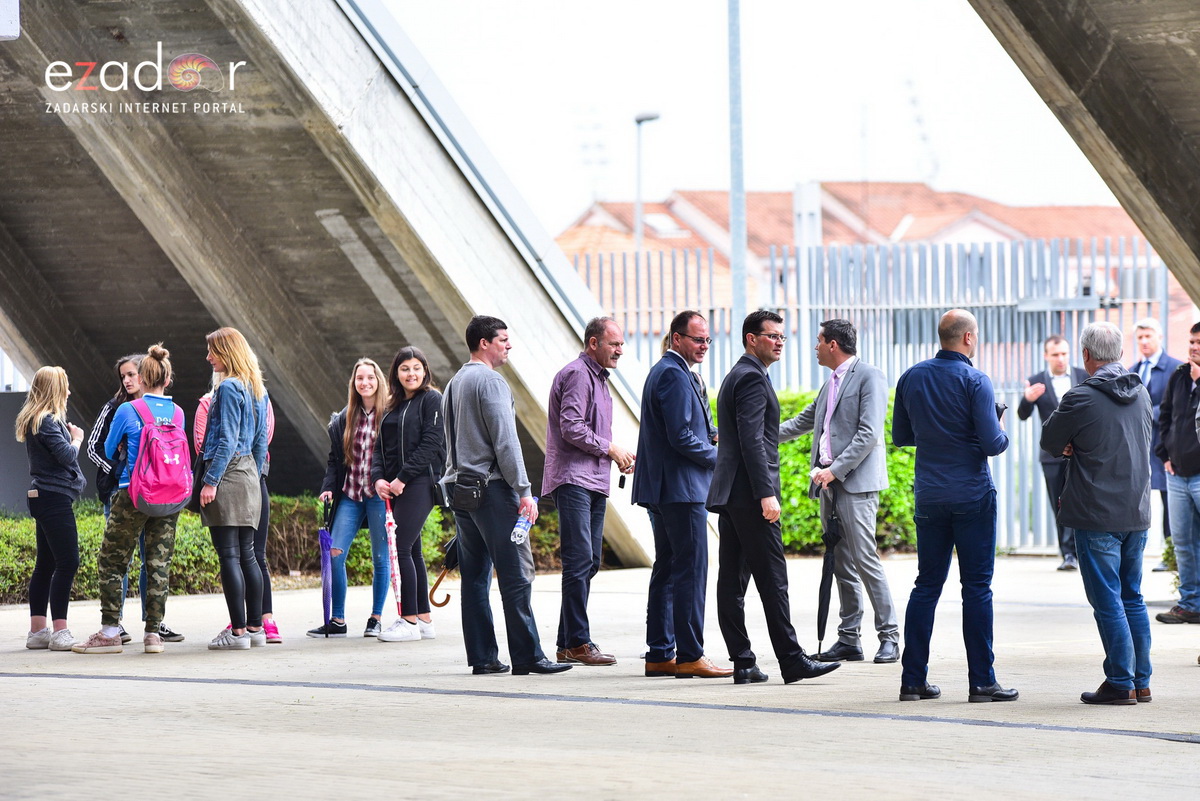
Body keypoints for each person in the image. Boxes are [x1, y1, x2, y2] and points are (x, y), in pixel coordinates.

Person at [892, 309, 1017, 703]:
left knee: (926, 585)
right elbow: (992, 445)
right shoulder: (976, 380)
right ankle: (982, 682)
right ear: (967, 338)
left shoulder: (911, 376)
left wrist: (937, 435)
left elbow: (901, 436)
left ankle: (913, 680)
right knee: (976, 588)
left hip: (930, 495)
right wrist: (997, 424)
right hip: (972, 496)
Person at [708, 311, 840, 684]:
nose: (779, 342)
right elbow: (752, 441)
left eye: (782, 336)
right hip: (749, 494)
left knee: (732, 582)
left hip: (732, 492)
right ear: (752, 339)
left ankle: (743, 662)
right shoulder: (750, 378)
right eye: (772, 336)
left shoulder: (740, 374)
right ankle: (792, 660)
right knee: (773, 578)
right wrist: (766, 494)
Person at [442, 315, 569, 675]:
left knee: (475, 577)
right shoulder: (491, 382)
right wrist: (525, 491)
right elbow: (506, 442)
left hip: (460, 489)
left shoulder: (454, 383)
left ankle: (483, 658)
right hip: (492, 489)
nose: (508, 345)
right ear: (484, 343)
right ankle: (528, 657)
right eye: (503, 340)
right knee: (515, 574)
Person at [1040, 321, 1153, 704]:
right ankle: (1141, 681)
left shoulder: (1079, 397)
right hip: (1136, 511)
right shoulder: (1141, 393)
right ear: (1119, 353)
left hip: (1095, 512)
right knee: (1131, 597)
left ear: (1086, 355)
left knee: (1107, 600)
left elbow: (1050, 440)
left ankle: (1120, 683)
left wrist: (1073, 443)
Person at [780, 318, 899, 664]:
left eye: (818, 341)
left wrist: (834, 470)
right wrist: (755, 434)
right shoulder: (829, 383)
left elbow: (869, 434)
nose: (815, 347)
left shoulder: (870, 376)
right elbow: (803, 422)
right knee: (841, 562)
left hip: (855, 484)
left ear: (833, 344)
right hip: (828, 485)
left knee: (864, 559)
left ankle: (890, 636)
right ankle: (849, 639)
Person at [632, 310, 731, 679]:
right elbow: (681, 437)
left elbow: (692, 428)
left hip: (666, 488)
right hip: (680, 489)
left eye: (707, 339)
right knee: (691, 571)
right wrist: (722, 459)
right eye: (697, 339)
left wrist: (720, 435)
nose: (704, 345)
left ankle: (660, 654)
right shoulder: (673, 373)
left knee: (669, 569)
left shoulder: (670, 371)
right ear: (677, 338)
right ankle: (690, 654)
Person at [73, 345, 184, 655]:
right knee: (158, 563)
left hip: (133, 494)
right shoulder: (178, 412)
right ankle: (152, 635)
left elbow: (108, 451)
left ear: (143, 378)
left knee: (111, 560)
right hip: (169, 497)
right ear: (167, 377)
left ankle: (110, 631)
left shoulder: (127, 410)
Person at [543, 317, 635, 666]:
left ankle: (567, 642)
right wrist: (610, 449)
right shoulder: (579, 374)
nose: (620, 350)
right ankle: (579, 641)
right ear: (593, 343)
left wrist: (618, 455)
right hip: (574, 479)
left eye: (622, 344)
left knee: (589, 561)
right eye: (614, 344)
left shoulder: (598, 379)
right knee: (579, 560)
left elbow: (589, 432)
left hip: (594, 479)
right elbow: (571, 427)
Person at [308, 358, 391, 639]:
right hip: (351, 494)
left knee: (381, 558)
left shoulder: (390, 414)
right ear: (353, 384)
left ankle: (376, 618)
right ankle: (338, 619)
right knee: (334, 553)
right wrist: (328, 486)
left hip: (380, 496)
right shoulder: (345, 416)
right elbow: (335, 460)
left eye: (370, 377)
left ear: (379, 380)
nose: (365, 383)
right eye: (360, 379)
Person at [198, 328, 270, 651]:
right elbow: (260, 442)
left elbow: (226, 439)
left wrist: (211, 481)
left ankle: (237, 632)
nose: (208, 357)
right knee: (248, 556)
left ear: (227, 352)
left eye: (212, 351)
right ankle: (256, 628)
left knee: (229, 555)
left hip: (226, 474)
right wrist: (253, 476)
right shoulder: (257, 388)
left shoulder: (227, 387)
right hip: (249, 476)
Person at [372, 346, 445, 643]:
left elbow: (431, 443)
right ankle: (424, 619)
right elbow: (379, 448)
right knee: (411, 549)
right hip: (394, 484)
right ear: (396, 374)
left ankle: (408, 620)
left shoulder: (432, 400)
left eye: (416, 368)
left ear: (425, 371)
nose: (411, 373)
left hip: (420, 482)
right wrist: (378, 478)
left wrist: (402, 478)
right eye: (405, 369)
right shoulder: (393, 405)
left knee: (399, 547)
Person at [17, 366, 85, 652]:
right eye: (66, 387)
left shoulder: (38, 419)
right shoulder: (46, 420)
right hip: (54, 497)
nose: (69, 392)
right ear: (55, 389)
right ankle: (60, 631)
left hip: (44, 496)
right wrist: (77, 437)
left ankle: (37, 632)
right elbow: (67, 456)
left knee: (45, 564)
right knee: (68, 562)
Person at [1017, 335, 1089, 571]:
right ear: (1046, 355)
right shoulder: (1036, 381)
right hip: (1051, 455)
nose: (1061, 359)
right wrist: (1026, 400)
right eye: (1056, 354)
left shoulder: (1083, 376)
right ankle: (1067, 554)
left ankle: (1081, 551)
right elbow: (1022, 414)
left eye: (1064, 354)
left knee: (1081, 502)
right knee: (1058, 504)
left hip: (1081, 453)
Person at [1153, 322, 1200, 625]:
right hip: (1177, 474)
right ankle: (1190, 603)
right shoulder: (1180, 376)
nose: (1193, 347)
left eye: (1199, 343)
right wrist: (1164, 454)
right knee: (1183, 542)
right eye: (1192, 341)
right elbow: (1166, 415)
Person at [1129, 318, 1182, 571]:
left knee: (1170, 498)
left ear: (1159, 337)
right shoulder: (1133, 370)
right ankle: (1132, 553)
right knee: (1135, 498)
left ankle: (1172, 554)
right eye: (1140, 337)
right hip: (1138, 444)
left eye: (1148, 336)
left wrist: (1147, 412)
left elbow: (1179, 407)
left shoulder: (1175, 368)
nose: (1144, 341)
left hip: (1165, 445)